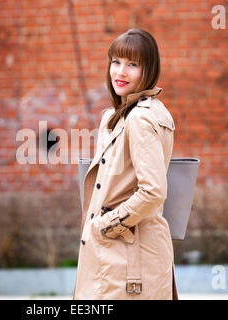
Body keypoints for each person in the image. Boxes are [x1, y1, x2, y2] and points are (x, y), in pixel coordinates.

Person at [73, 28, 178, 300]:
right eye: (116, 62)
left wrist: (105, 226)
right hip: (123, 255)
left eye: (133, 64)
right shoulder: (121, 115)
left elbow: (153, 191)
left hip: (127, 260)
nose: (120, 72)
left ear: (149, 70)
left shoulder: (140, 118)